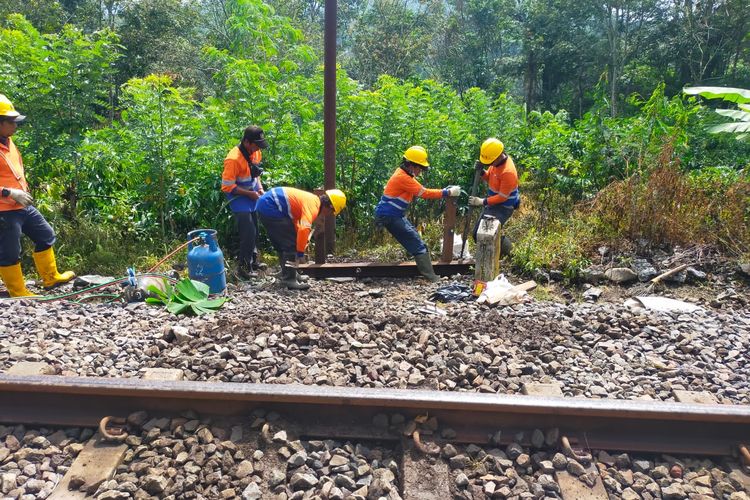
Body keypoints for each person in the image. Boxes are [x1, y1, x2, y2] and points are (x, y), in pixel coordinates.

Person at [0, 94, 75, 297]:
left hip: (22, 205)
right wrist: (8, 192)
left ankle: (50, 278)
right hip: (4, 211)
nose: (15, 126)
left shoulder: (9, 142)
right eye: (11, 122)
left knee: (46, 235)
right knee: (9, 252)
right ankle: (18, 292)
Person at [374, 146, 460, 282]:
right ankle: (431, 277)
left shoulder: (403, 174)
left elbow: (419, 188)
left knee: (413, 237)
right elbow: (424, 193)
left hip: (392, 214)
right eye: (419, 167)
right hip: (390, 216)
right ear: (410, 165)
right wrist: (447, 193)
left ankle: (419, 263)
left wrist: (444, 190)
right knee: (418, 244)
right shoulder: (403, 178)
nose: (420, 171)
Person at [256, 187, 346, 290]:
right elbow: (304, 229)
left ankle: (290, 273)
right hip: (270, 206)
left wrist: (299, 242)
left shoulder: (313, 201)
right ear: (329, 206)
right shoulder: (313, 207)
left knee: (288, 242)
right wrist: (300, 252)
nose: (330, 215)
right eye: (332, 212)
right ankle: (288, 279)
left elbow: (296, 222)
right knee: (289, 245)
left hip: (269, 204)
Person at [221, 125, 268, 279]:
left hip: (252, 193)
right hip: (238, 196)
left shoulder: (255, 151)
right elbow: (227, 187)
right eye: (256, 145)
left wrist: (260, 188)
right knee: (248, 232)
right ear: (247, 142)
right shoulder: (233, 159)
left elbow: (256, 172)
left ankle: (253, 262)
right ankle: (243, 268)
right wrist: (249, 193)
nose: (258, 149)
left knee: (255, 228)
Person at [469, 138, 520, 254]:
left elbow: (503, 197)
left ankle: (512, 253)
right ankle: (494, 253)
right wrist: (482, 172)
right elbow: (490, 178)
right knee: (477, 234)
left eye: (490, 162)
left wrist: (482, 201)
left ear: (498, 157)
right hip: (493, 204)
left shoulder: (508, 172)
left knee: (485, 235)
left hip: (503, 207)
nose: (489, 164)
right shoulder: (496, 163)